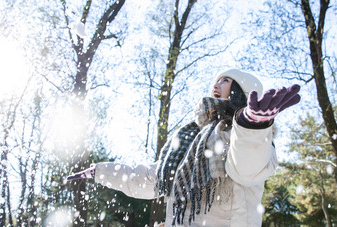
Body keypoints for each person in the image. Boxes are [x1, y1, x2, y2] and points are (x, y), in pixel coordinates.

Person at [67, 69, 301, 226]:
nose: (216, 85)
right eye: (216, 80)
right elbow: (152, 178)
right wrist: (101, 171)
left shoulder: (245, 136)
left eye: (225, 80)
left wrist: (252, 127)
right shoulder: (193, 138)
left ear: (242, 90)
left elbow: (246, 169)